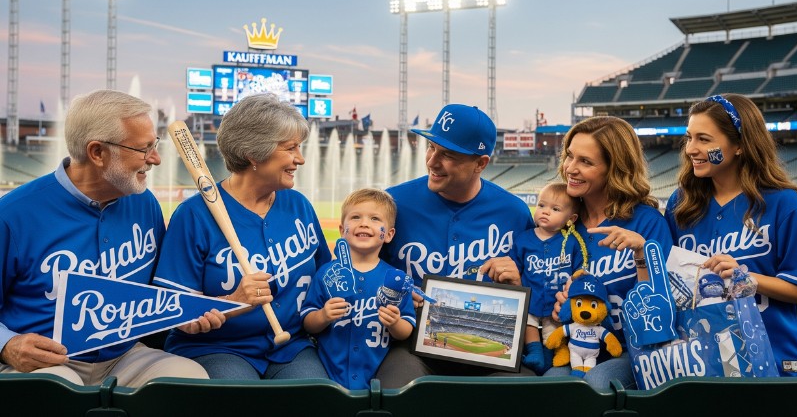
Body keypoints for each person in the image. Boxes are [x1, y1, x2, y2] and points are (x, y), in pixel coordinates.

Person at [0, 89, 211, 387]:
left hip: (124, 355)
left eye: (155, 145)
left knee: (189, 380)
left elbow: (160, 291)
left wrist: (196, 309)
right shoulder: (13, 214)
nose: (156, 159)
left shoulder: (145, 202)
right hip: (46, 361)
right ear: (97, 152)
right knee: (55, 387)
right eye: (143, 149)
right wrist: (6, 346)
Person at [153, 93, 331, 380]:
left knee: (316, 396)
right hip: (216, 347)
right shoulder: (194, 215)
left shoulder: (299, 206)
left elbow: (327, 275)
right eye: (291, 148)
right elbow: (175, 310)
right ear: (254, 154)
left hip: (291, 345)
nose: (300, 159)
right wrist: (233, 301)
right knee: (240, 400)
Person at [376, 103, 535, 387]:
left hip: (492, 346)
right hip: (412, 342)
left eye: (448, 154)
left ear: (480, 163)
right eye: (432, 147)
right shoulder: (394, 203)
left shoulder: (514, 212)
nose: (432, 161)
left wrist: (519, 281)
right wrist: (392, 292)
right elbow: (360, 271)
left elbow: (539, 288)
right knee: (398, 390)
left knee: (526, 391)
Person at [665, 93, 797, 376]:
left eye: (704, 139)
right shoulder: (681, 203)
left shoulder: (784, 203)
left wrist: (745, 277)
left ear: (739, 144)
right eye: (689, 138)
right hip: (703, 363)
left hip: (775, 359)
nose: (691, 149)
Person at [543, 116, 672, 391]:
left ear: (614, 169)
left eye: (585, 162)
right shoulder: (564, 226)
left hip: (632, 349)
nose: (570, 168)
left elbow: (662, 305)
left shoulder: (647, 223)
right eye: (569, 156)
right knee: (547, 386)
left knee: (596, 385)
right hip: (578, 347)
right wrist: (560, 308)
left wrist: (641, 252)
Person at [301, 188, 415, 389]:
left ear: (388, 234)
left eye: (374, 219)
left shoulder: (397, 279)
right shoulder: (327, 274)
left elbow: (406, 329)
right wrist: (323, 315)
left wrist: (395, 323)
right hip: (328, 372)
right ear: (342, 230)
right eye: (355, 217)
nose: (364, 223)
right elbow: (308, 322)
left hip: (379, 375)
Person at [512, 182, 587, 375]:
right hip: (532, 297)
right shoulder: (523, 239)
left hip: (557, 303)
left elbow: (579, 269)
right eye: (541, 206)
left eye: (555, 209)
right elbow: (515, 269)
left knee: (553, 330)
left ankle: (550, 354)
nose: (545, 212)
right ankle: (535, 351)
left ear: (571, 219)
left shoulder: (571, 242)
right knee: (527, 320)